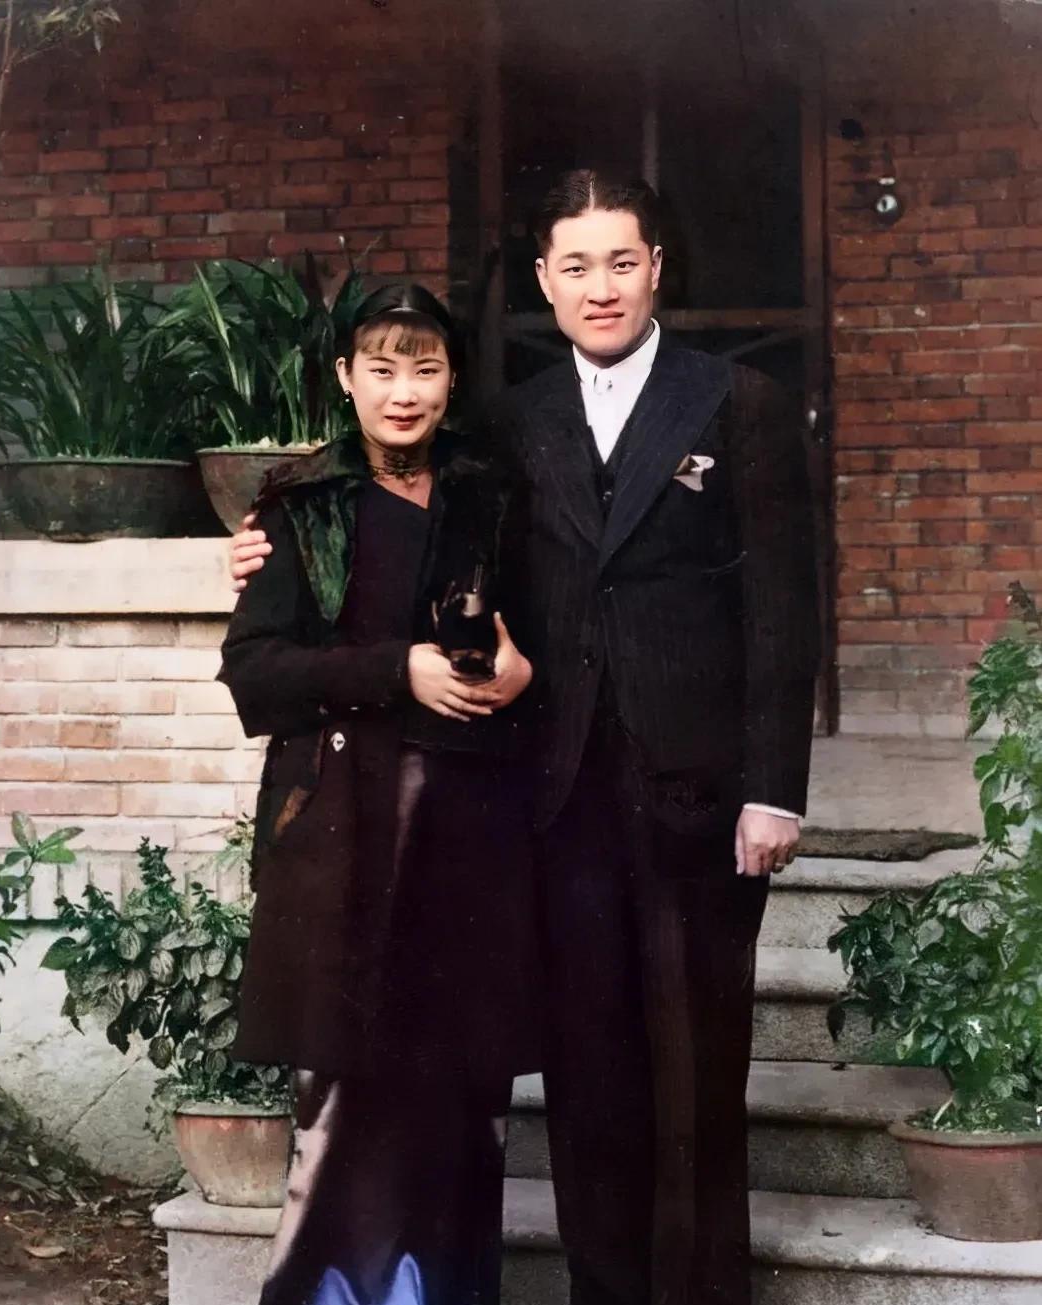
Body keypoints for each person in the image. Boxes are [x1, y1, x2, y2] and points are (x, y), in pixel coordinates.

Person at [230, 171, 819, 1305]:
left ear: (656, 270)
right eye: (576, 266)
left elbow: (784, 611)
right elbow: (391, 513)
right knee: (591, 1081)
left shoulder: (736, 402)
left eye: (622, 262)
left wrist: (773, 790)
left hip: (697, 798)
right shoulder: (509, 421)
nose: (601, 288)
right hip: (551, 801)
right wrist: (262, 541)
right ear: (545, 280)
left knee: (694, 1082)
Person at [218, 283, 537, 1305]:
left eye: (426, 369)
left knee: (460, 1103)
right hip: (346, 839)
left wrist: (519, 672)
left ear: (453, 379)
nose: (404, 393)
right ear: (346, 379)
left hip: (468, 840)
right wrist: (395, 670)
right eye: (382, 369)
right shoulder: (300, 506)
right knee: (346, 1103)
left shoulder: (491, 496)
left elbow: (539, 640)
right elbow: (254, 672)